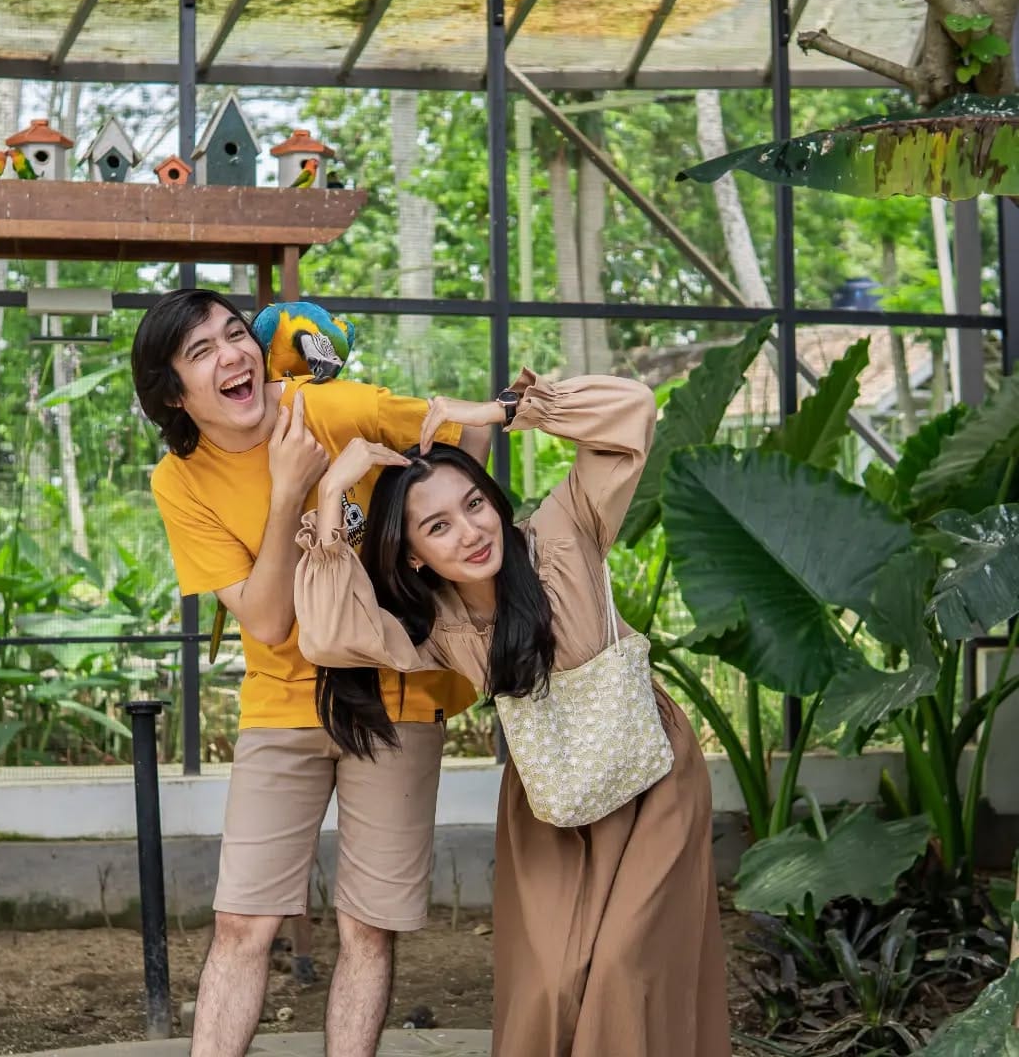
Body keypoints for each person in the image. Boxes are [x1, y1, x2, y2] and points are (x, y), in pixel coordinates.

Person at [294, 369, 732, 1056]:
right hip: (550, 799)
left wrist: (504, 410)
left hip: (650, 778)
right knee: (550, 984)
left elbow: (633, 411)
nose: (470, 531)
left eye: (475, 504)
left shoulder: (561, 534)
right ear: (413, 556)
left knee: (622, 968)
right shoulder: (435, 627)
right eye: (439, 526)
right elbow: (324, 634)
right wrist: (327, 494)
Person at [131, 288, 484, 1057]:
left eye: (235, 333)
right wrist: (295, 486)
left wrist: (426, 553)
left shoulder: (332, 405)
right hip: (281, 702)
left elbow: (458, 434)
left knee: (367, 925)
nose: (233, 355)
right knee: (243, 922)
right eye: (202, 352)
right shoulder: (179, 481)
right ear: (175, 395)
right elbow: (264, 621)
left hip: (398, 691)